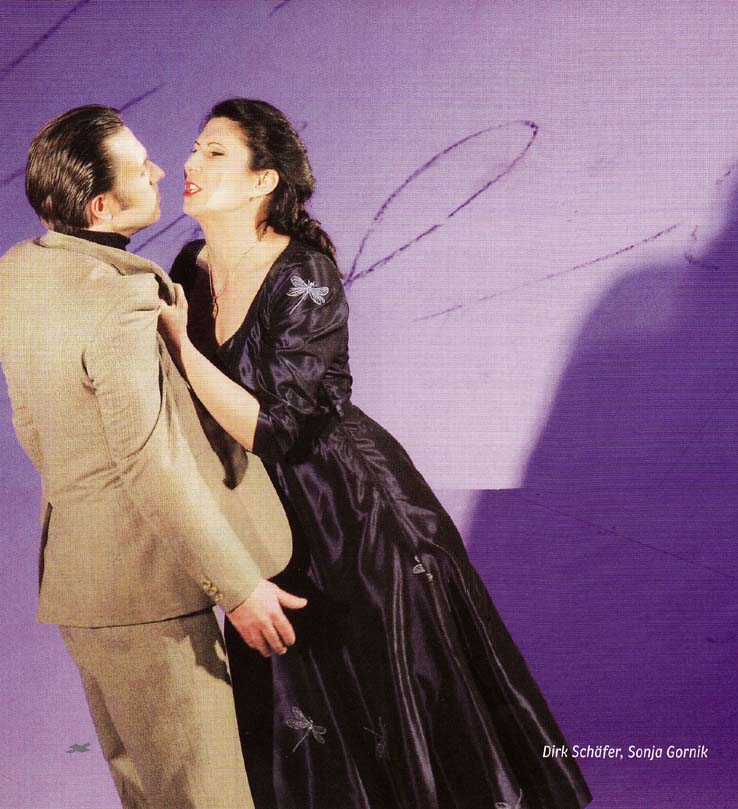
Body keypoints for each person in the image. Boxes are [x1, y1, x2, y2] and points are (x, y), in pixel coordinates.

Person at [161, 97, 592, 809]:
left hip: (358, 520)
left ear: (263, 180)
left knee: (398, 713)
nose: (189, 163)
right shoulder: (189, 265)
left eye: (214, 152)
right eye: (195, 147)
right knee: (308, 731)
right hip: (267, 521)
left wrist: (182, 349)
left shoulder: (305, 273)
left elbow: (277, 428)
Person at [0, 105, 305, 809]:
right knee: (206, 796)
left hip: (78, 581)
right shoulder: (119, 302)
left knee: (148, 793)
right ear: (102, 206)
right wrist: (238, 586)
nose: (162, 171)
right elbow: (149, 460)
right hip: (150, 593)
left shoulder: (18, 272)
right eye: (141, 169)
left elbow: (31, 428)